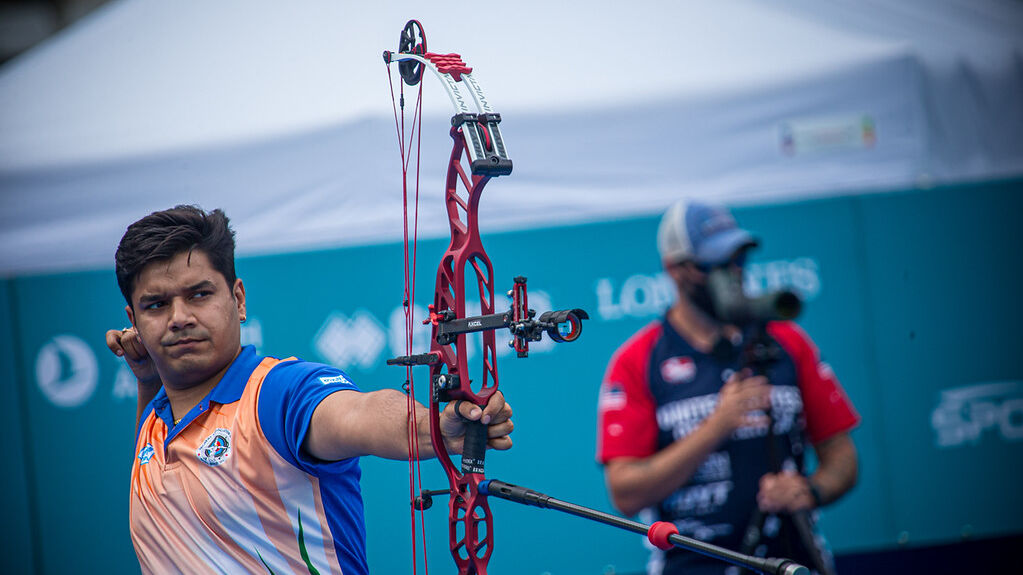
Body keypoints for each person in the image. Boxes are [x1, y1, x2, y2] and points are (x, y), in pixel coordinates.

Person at [105, 205, 513, 575]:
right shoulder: (157, 419)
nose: (179, 318)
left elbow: (357, 414)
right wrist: (147, 377)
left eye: (199, 294)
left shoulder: (275, 393)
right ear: (133, 320)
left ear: (239, 299)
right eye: (156, 305)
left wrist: (434, 430)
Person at [596, 200, 859, 575]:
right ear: (675, 268)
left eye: (738, 260)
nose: (733, 273)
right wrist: (717, 426)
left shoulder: (785, 341)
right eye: (714, 265)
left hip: (794, 559)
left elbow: (843, 457)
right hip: (693, 563)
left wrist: (810, 490)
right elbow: (624, 492)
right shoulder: (638, 359)